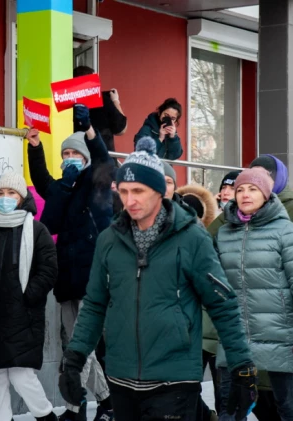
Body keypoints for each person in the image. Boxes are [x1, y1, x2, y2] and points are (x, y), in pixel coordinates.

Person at [58, 137, 257, 421]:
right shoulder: (109, 240)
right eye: (124, 191)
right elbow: (95, 304)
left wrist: (241, 367)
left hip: (174, 380)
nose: (130, 200)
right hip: (122, 378)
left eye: (138, 190)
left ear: (159, 190)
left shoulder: (192, 238)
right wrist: (74, 360)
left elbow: (222, 305)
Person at [26, 104, 114, 421]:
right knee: (77, 347)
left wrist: (88, 129)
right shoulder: (64, 187)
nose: (68, 159)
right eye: (64, 155)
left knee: (80, 347)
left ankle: (75, 408)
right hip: (67, 281)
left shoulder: (97, 181)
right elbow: (42, 185)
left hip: (93, 280)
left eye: (74, 155)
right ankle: (107, 401)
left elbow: (104, 159)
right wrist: (35, 148)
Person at [215, 167, 293, 421]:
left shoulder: (285, 231)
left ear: (266, 194)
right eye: (240, 189)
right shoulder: (225, 232)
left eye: (253, 189)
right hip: (235, 334)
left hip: (280, 332)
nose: (245, 195)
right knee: (230, 407)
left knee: (288, 403)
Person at [0, 172, 58, 421]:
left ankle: (46, 416)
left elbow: (49, 270)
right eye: (0, 193)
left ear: (21, 197)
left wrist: (28, 297)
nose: (5, 198)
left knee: (22, 376)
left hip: (22, 317)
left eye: (11, 193)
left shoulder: (36, 230)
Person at [73, 65, 128, 152]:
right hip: (102, 157)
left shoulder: (67, 102)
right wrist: (116, 101)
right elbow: (121, 129)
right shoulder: (103, 100)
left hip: (75, 154)